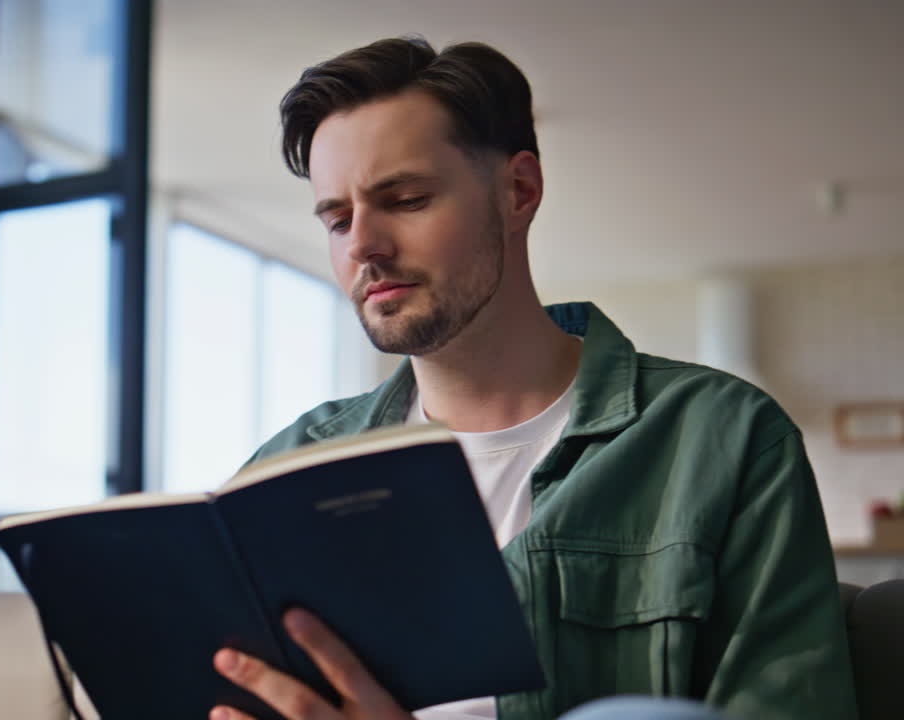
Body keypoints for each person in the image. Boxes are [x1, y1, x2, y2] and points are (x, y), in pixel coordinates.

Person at [208, 37, 857, 720]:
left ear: (519, 192)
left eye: (404, 198)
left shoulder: (725, 439)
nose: (361, 244)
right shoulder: (289, 465)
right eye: (337, 220)